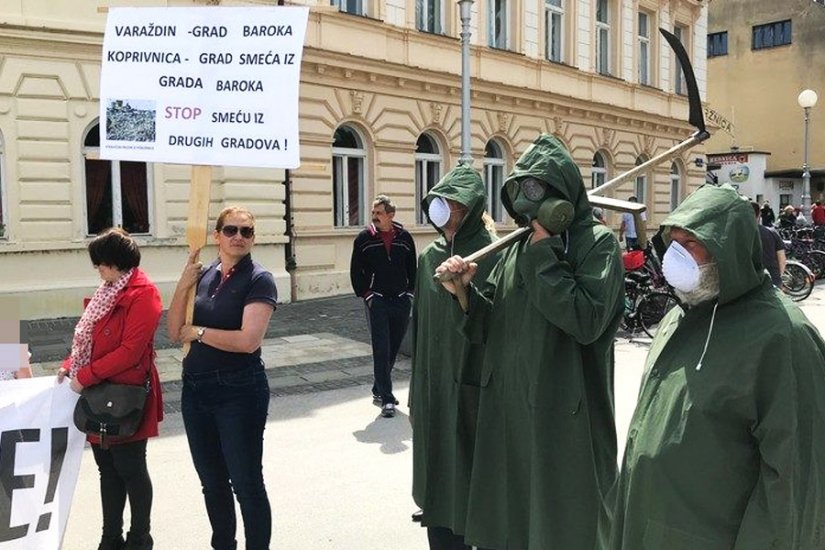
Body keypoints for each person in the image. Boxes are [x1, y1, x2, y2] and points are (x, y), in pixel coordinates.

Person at [602, 184, 825, 549]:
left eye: (692, 243)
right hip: (647, 529)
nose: (677, 256)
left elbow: (795, 486)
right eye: (674, 242)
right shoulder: (678, 319)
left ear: (729, 248)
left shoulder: (783, 338)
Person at [436, 134, 625, 549]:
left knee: (564, 526)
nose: (528, 208)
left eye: (539, 192)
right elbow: (491, 328)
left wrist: (545, 256)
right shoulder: (515, 248)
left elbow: (586, 320)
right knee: (512, 524)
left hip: (564, 418)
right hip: (509, 415)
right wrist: (464, 294)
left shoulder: (598, 246)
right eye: (520, 193)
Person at [167, 206, 277, 550]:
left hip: (239, 390)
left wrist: (199, 331)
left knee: (245, 483)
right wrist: (183, 286)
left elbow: (248, 341)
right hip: (196, 391)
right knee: (212, 483)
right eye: (231, 230)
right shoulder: (204, 273)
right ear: (217, 236)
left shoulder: (259, 278)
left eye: (247, 232)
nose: (239, 237)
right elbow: (173, 331)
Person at [410, 165, 501, 550]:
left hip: (474, 389)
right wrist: (416, 389)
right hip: (433, 387)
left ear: (469, 207)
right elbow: (420, 329)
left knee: (471, 484)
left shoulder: (494, 253)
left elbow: (495, 324)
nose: (441, 208)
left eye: (450, 202)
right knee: (438, 484)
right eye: (438, 200)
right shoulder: (429, 256)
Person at [56, 228, 163, 550]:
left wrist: (85, 375)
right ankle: (110, 537)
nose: (97, 269)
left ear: (115, 262)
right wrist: (69, 364)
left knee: (131, 468)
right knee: (108, 470)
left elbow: (130, 350)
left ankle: (140, 537)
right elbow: (88, 339)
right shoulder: (108, 290)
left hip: (125, 394)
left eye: (100, 263)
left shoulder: (143, 293)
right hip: (100, 391)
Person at [350, 195, 417, 418]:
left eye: (379, 213)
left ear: (391, 215)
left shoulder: (405, 238)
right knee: (381, 348)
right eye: (373, 212)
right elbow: (356, 272)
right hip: (376, 300)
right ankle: (387, 399)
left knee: (394, 347)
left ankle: (378, 387)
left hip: (400, 300)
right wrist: (367, 295)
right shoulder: (363, 239)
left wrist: (409, 292)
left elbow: (412, 269)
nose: (375, 217)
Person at [751, 201, 786, 287]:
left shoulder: (737, 234)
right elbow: (782, 260)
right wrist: (778, 277)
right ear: (759, 214)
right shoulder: (772, 232)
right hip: (773, 279)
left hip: (750, 284)